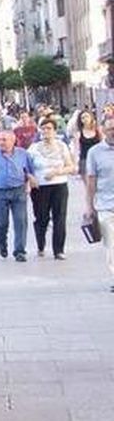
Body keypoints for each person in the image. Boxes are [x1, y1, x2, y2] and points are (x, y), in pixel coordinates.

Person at [0, 129, 36, 261]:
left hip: (18, 191)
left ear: (13, 141)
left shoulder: (23, 154)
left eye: (4, 140)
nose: (0, 142)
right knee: (2, 224)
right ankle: (2, 243)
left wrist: (28, 182)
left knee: (20, 221)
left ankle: (20, 251)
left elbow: (30, 171)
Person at [28, 119, 76, 259]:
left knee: (59, 217)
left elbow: (71, 167)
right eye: (43, 129)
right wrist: (31, 178)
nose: (45, 131)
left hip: (59, 185)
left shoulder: (62, 146)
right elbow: (26, 167)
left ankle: (59, 250)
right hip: (40, 187)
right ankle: (41, 245)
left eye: (49, 128)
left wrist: (57, 172)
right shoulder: (34, 148)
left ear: (55, 131)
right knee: (42, 217)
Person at [84, 121, 114, 292]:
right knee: (112, 244)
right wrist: (89, 206)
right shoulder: (94, 152)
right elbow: (91, 180)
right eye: (110, 129)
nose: (113, 132)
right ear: (103, 131)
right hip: (105, 205)